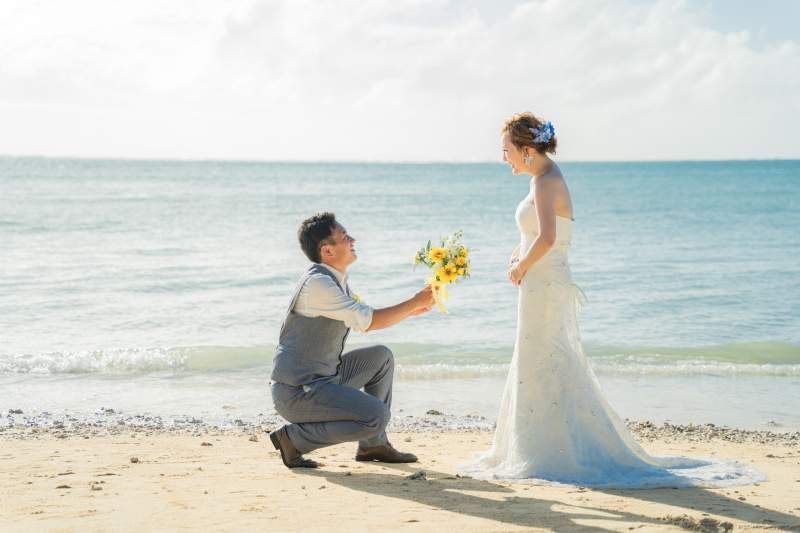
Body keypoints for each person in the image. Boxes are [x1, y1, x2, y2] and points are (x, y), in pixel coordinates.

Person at [456, 113, 762, 488]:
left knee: (546, 357)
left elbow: (550, 238)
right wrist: (518, 254)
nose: (504, 157)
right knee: (541, 357)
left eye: (506, 150)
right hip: (544, 280)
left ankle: (554, 450)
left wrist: (521, 268)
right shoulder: (545, 178)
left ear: (525, 149)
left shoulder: (545, 181)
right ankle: (544, 443)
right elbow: (542, 232)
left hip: (545, 284)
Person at [269, 212, 436, 469]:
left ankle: (373, 445)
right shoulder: (318, 285)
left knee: (380, 358)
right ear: (327, 250)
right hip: (297, 393)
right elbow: (371, 321)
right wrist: (413, 302)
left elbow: (368, 319)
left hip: (323, 380)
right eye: (345, 237)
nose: (352, 239)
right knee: (375, 416)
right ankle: (293, 439)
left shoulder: (335, 282)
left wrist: (411, 309)